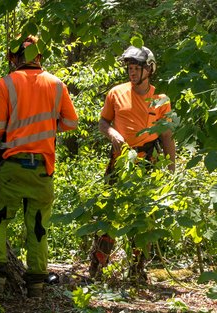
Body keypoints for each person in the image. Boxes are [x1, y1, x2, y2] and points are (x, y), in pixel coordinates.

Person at [0, 35, 78, 299]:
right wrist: (45, 129)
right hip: (43, 169)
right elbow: (70, 122)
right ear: (39, 56)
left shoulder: (5, 84)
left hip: (13, 166)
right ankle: (36, 286)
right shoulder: (57, 85)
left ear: (17, 58)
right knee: (38, 226)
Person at [89, 45, 176, 280]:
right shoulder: (115, 93)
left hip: (147, 160)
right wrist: (112, 134)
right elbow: (103, 122)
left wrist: (171, 168)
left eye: (137, 68)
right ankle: (98, 266)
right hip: (119, 159)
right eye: (130, 68)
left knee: (143, 215)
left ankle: (138, 269)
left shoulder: (160, 100)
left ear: (149, 69)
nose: (132, 72)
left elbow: (167, 135)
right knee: (108, 211)